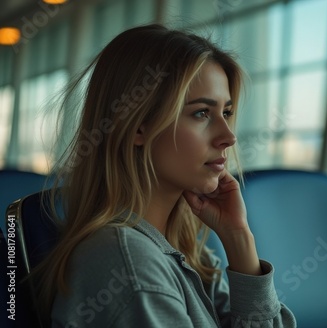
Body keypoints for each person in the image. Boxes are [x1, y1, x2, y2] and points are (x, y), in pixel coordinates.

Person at [34, 24, 296, 327]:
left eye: (226, 113)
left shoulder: (184, 252)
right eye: (201, 113)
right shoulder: (128, 264)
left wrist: (239, 239)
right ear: (137, 126)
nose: (228, 136)